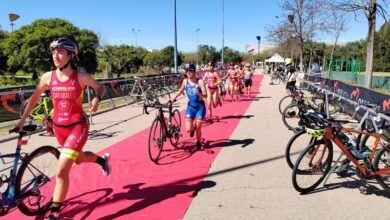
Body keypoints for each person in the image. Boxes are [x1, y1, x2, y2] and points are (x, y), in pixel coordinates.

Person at [14, 37, 111, 220]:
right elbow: (34, 99)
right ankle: (101, 161)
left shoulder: (81, 77)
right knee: (79, 159)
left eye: (60, 52)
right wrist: (22, 121)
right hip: (59, 128)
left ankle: (54, 214)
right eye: (53, 52)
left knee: (61, 171)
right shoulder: (47, 77)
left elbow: (100, 88)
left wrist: (97, 99)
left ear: (70, 55)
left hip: (77, 127)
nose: (55, 56)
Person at [171, 62, 207, 149]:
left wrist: (199, 94)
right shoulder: (185, 81)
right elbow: (180, 90)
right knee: (188, 129)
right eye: (187, 71)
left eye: (190, 70)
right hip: (190, 107)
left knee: (199, 128)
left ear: (194, 71)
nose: (188, 73)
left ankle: (198, 141)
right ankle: (193, 128)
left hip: (200, 108)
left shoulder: (200, 81)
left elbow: (205, 95)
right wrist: (174, 97)